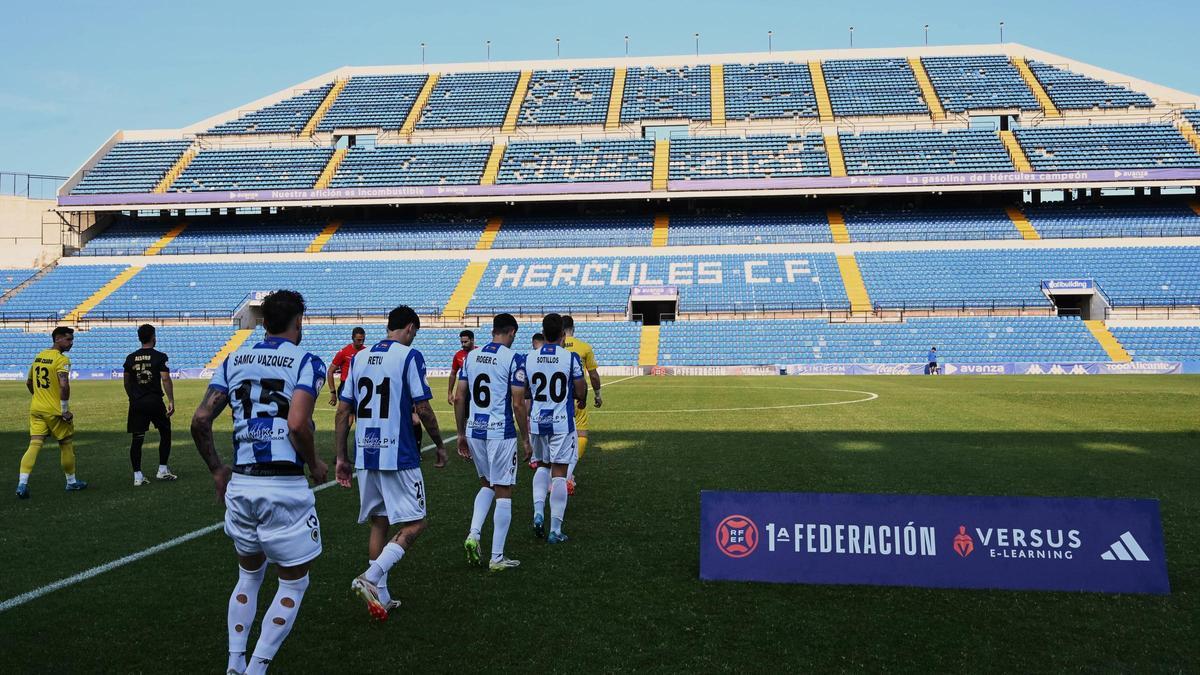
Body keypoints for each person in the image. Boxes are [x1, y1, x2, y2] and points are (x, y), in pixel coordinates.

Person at [190, 290, 328, 675]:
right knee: (293, 584)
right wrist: (315, 463)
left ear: (263, 321)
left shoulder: (234, 360)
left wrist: (218, 469)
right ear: (297, 320)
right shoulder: (306, 362)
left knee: (249, 575)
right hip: (283, 486)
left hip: (243, 483)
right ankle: (257, 668)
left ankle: (235, 662)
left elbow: (200, 421)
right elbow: (297, 423)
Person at [334, 306, 447, 620]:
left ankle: (380, 598)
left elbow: (343, 412)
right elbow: (422, 408)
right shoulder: (409, 356)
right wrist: (439, 444)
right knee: (417, 522)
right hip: (398, 454)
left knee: (379, 521)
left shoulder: (358, 358)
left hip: (366, 453)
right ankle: (370, 578)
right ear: (410, 328)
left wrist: (341, 456)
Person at [453, 313, 530, 571]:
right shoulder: (512, 358)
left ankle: (474, 534)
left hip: (475, 430)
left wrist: (460, 433)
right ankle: (497, 558)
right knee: (504, 490)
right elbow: (518, 403)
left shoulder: (471, 357)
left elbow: (459, 397)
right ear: (509, 332)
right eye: (514, 335)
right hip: (500, 432)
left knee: (486, 484)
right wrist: (526, 438)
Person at [525, 314, 586, 544]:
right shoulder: (570, 358)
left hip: (538, 421)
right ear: (563, 334)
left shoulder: (529, 358)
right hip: (561, 423)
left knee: (542, 466)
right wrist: (582, 397)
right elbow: (580, 390)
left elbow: (525, 392)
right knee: (559, 474)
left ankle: (538, 511)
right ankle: (555, 530)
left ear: (543, 332)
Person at [16, 326, 85, 498]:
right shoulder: (61, 360)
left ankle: (22, 484)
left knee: (34, 444)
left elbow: (29, 382)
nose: (71, 343)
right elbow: (64, 385)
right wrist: (64, 410)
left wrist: (39, 397)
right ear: (58, 339)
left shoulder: (39, 356)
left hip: (36, 408)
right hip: (55, 411)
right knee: (66, 443)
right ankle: (71, 482)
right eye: (68, 339)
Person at [124, 323, 176, 486]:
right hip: (154, 401)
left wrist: (132, 397)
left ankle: (138, 476)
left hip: (137, 402)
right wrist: (171, 400)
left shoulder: (130, 358)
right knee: (165, 432)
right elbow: (165, 379)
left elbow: (126, 381)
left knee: (137, 438)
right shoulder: (160, 356)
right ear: (153, 337)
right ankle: (162, 470)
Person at [561, 316, 602, 494]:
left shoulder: (554, 347)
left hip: (557, 398)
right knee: (581, 433)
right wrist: (598, 395)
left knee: (557, 435)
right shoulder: (584, 347)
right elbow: (593, 375)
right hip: (578, 396)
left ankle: (557, 474)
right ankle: (567, 476)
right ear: (573, 328)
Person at [328, 327, 367, 406]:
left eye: (363, 340)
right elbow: (330, 371)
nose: (361, 342)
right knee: (347, 414)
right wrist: (333, 392)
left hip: (361, 385)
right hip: (346, 385)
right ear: (352, 338)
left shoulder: (366, 352)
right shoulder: (344, 352)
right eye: (359, 340)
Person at [524, 333, 545, 470]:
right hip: (552, 404)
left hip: (535, 402)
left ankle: (535, 458)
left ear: (533, 342)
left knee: (533, 430)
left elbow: (525, 389)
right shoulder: (554, 358)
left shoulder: (528, 359)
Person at [447, 329, 475, 405]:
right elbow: (453, 374)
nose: (463, 344)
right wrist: (450, 393)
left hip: (477, 392)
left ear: (472, 340)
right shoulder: (458, 355)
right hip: (463, 393)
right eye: (462, 342)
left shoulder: (480, 353)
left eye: (465, 342)